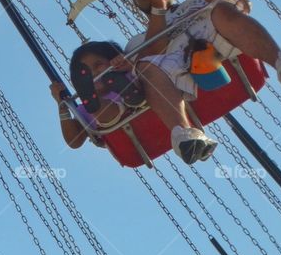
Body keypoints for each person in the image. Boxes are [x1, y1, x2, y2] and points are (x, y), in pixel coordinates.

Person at [126, 0, 281, 101]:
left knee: (222, 8)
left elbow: (240, 5)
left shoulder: (196, 0)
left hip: (222, 47)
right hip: (179, 73)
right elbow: (148, 63)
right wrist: (159, 8)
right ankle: (183, 131)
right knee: (148, 64)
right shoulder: (138, 41)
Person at [49, 40, 216, 164]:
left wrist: (127, 65)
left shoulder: (130, 72)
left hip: (140, 95)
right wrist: (62, 105)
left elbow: (151, 74)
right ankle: (105, 98)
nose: (94, 73)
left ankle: (132, 96)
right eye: (86, 74)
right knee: (100, 111)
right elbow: (74, 141)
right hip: (115, 119)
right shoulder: (85, 108)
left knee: (140, 77)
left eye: (98, 65)